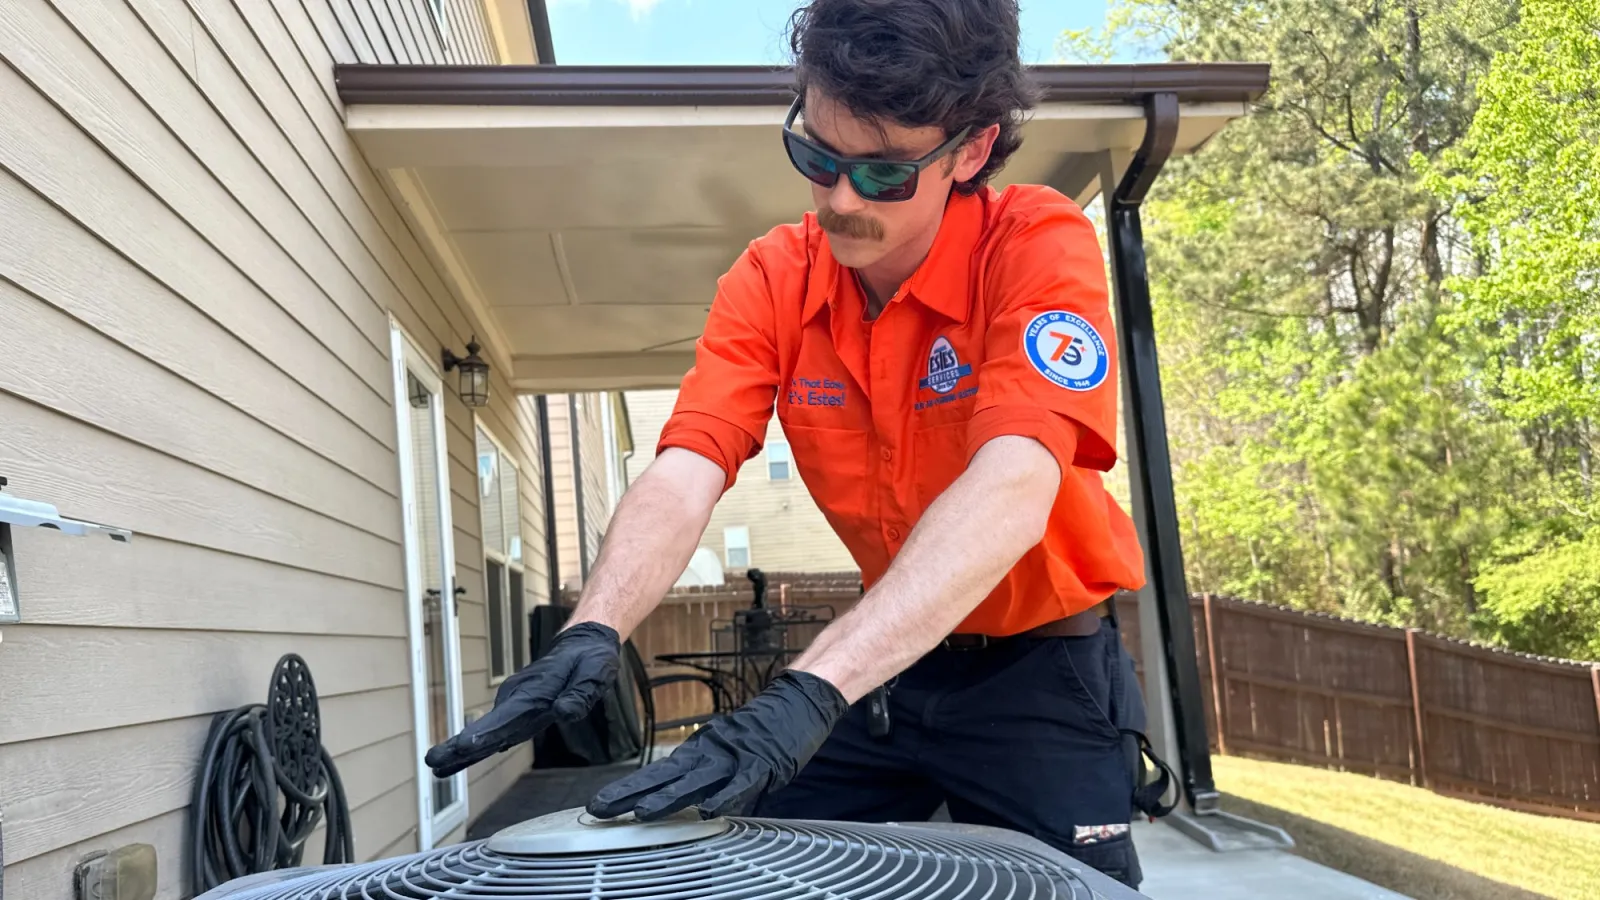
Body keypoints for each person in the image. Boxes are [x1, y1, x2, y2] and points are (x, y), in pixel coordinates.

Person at [425, 0, 1159, 887]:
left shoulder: (1036, 247)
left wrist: (809, 691)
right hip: (886, 662)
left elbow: (1013, 482)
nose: (841, 201)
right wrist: (594, 627)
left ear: (970, 150)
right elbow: (689, 464)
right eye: (816, 156)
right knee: (737, 859)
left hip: (1040, 673)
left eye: (883, 174)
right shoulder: (776, 273)